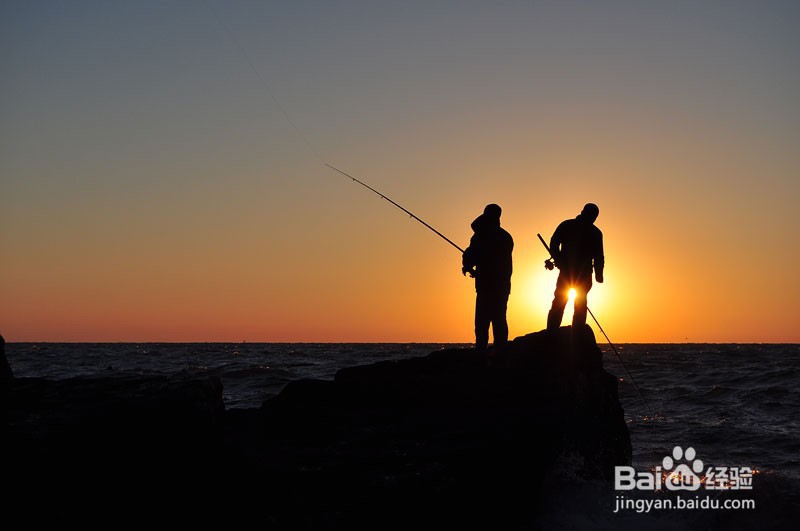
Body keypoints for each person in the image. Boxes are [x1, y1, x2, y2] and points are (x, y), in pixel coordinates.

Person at [462, 204, 514, 352]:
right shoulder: (496, 236)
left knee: (491, 323)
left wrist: (472, 264)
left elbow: (481, 256)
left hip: (495, 287)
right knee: (489, 323)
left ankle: (492, 354)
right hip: (492, 287)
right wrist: (468, 264)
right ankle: (491, 354)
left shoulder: (500, 238)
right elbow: (472, 253)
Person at [545, 203, 604, 331]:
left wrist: (599, 274)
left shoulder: (593, 232)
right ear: (584, 212)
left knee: (576, 304)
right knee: (564, 302)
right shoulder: (571, 226)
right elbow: (554, 243)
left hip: (580, 274)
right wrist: (558, 258)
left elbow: (599, 256)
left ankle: (572, 331)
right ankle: (556, 331)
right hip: (569, 273)